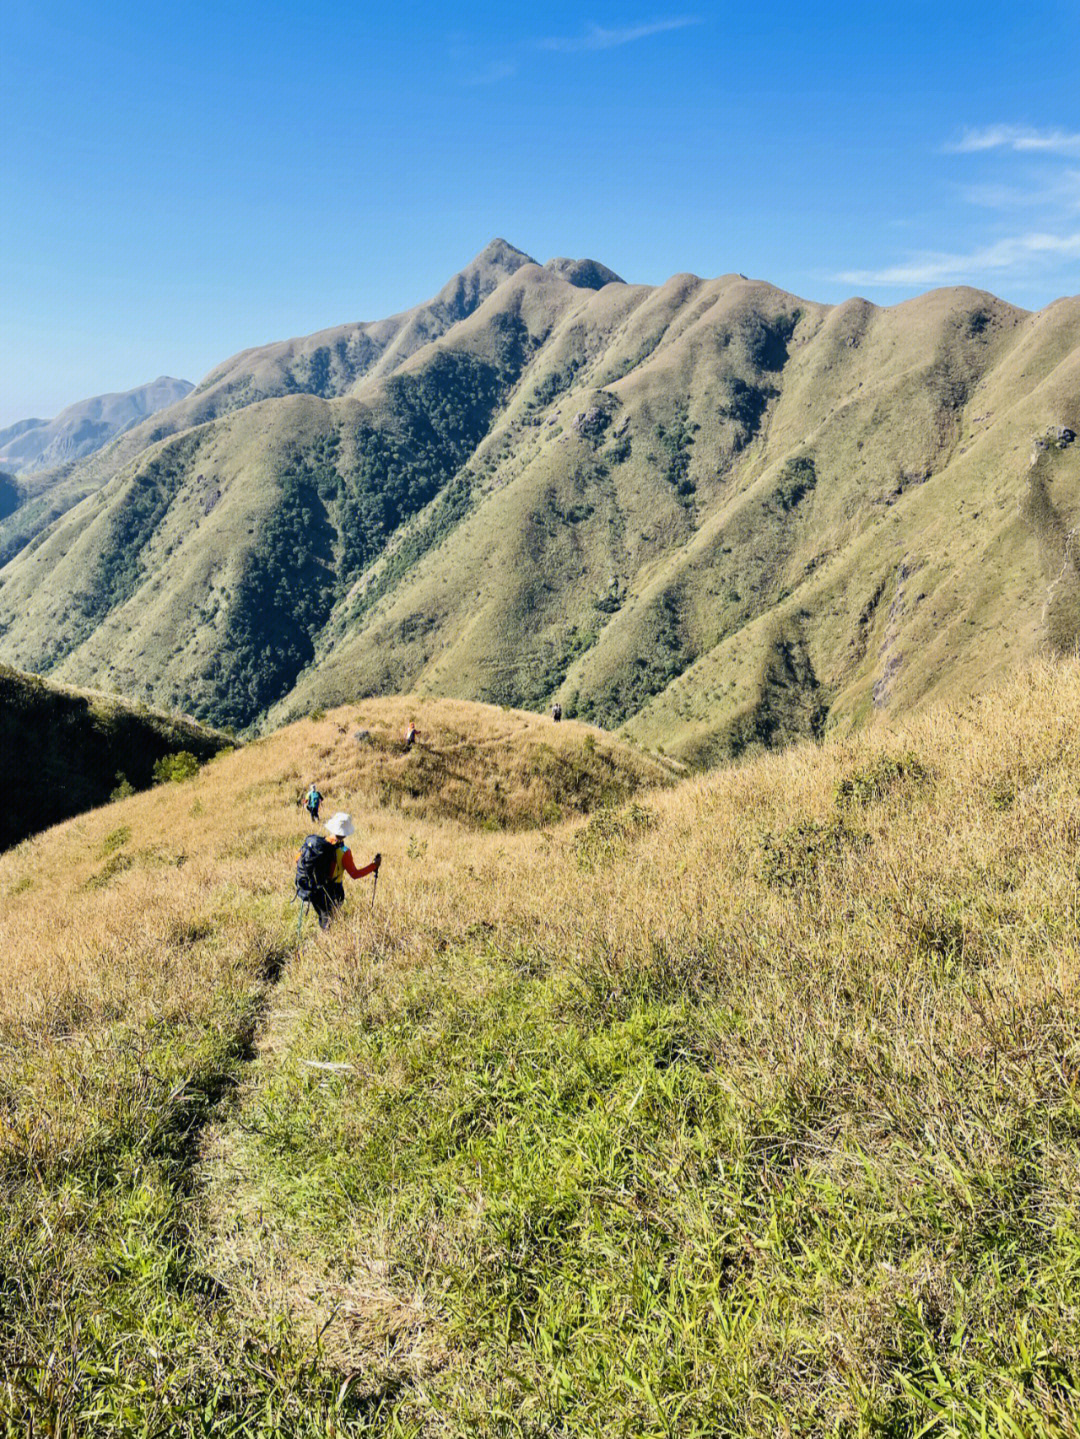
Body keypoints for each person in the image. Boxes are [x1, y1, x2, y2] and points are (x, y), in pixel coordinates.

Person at [297, 813, 380, 930]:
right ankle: (325, 943)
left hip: (315, 889)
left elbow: (297, 859)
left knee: (323, 919)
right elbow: (355, 874)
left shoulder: (316, 844)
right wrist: (374, 865)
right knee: (329, 924)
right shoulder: (344, 851)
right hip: (334, 891)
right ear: (345, 834)